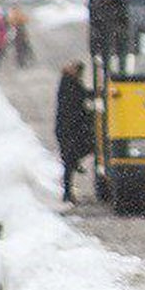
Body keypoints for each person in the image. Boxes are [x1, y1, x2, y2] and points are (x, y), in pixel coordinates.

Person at [54, 61, 94, 203]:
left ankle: (68, 191)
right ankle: (67, 193)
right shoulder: (70, 84)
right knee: (70, 160)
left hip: (68, 128)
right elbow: (78, 101)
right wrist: (90, 114)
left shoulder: (68, 83)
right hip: (68, 129)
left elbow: (81, 98)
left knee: (69, 161)